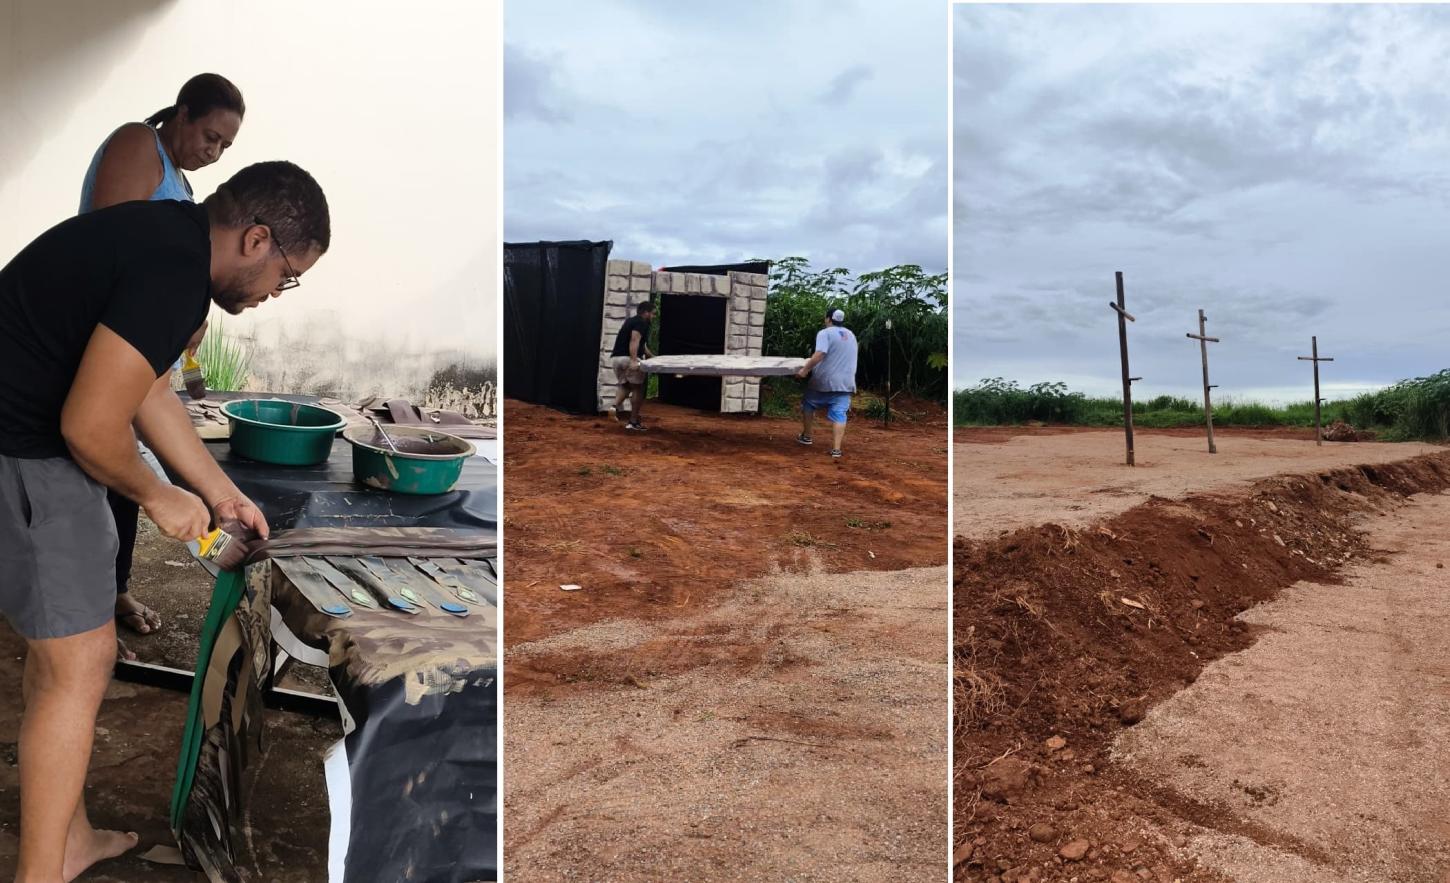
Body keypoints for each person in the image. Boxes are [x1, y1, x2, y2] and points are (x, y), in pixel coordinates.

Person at [0, 160, 329, 882]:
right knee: (79, 665)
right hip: (27, 452)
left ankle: (68, 838)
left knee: (62, 662)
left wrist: (216, 490)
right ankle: (37, 872)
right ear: (257, 239)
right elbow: (90, 424)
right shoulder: (173, 272)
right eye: (287, 274)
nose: (277, 293)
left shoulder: (168, 242)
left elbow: (144, 387)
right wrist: (156, 494)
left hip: (27, 444)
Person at [79, 73, 245, 649]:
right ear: (181, 112)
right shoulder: (136, 145)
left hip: (144, 358)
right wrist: (162, 495)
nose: (213, 151)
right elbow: (113, 248)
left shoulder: (184, 189)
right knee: (99, 471)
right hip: (109, 349)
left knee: (124, 476)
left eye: (225, 146)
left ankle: (111, 592)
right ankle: (83, 624)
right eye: (210, 136)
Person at [796, 307, 859, 459]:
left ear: (828, 319)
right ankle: (836, 449)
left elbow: (820, 354)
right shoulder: (851, 334)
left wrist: (805, 370)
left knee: (808, 403)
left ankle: (807, 436)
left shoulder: (825, 333)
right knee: (840, 414)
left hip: (824, 381)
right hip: (846, 383)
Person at [609, 301, 656, 431]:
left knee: (625, 385)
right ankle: (633, 421)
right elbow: (634, 340)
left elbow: (642, 345)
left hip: (617, 359)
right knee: (638, 389)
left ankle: (613, 406)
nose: (653, 316)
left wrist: (652, 356)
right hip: (628, 359)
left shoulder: (630, 321)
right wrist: (634, 360)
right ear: (646, 313)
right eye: (653, 314)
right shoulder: (642, 323)